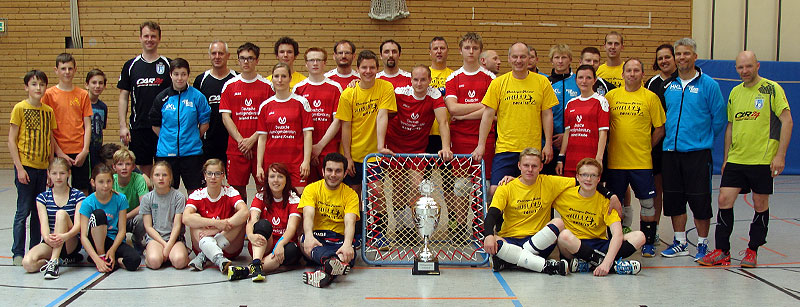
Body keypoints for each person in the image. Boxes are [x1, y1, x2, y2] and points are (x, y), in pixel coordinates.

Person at [698, 51, 793, 268]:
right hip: (737, 159)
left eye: (749, 66)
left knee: (760, 204)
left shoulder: (772, 89)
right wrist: (726, 156)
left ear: (757, 65)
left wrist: (780, 155)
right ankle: (722, 250)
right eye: (740, 68)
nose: (744, 71)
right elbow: (731, 125)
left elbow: (787, 121)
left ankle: (752, 250)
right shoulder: (734, 92)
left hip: (762, 159)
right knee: (724, 200)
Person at [658, 38, 726, 260]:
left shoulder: (709, 85)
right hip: (671, 153)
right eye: (678, 54)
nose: (681, 58)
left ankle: (703, 244)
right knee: (675, 200)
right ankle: (680, 242)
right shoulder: (668, 85)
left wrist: (701, 139)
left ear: (695, 57)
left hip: (698, 154)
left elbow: (719, 119)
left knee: (700, 200)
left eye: (686, 53)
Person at [472, 42, 559, 196]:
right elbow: (487, 115)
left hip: (532, 149)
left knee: (531, 193)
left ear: (529, 59)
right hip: (506, 148)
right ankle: (501, 221)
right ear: (509, 59)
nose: (519, 60)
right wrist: (481, 145)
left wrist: (548, 145)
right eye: (515, 57)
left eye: (523, 57)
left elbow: (547, 114)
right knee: (496, 190)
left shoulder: (542, 82)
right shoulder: (498, 83)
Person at [605, 58, 665, 257]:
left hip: (641, 161)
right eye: (628, 70)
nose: (632, 74)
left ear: (642, 74)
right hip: (615, 162)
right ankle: (616, 241)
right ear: (622, 74)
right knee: (615, 204)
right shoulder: (611, 96)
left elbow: (660, 128)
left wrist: (647, 146)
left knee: (647, 204)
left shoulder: (650, 97)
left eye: (636, 70)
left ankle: (648, 242)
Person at [482, 148, 571, 276]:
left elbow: (581, 182)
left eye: (534, 166)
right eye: (526, 165)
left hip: (539, 241)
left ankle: (511, 261)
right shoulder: (506, 188)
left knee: (558, 222)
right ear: (519, 166)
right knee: (495, 241)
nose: (530, 169)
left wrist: (609, 195)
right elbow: (492, 215)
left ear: (540, 167)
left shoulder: (549, 182)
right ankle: (547, 266)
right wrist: (489, 235)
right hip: (511, 240)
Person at [556, 158, 644, 275]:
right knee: (563, 236)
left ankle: (589, 264)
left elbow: (617, 234)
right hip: (575, 245)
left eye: (593, 175)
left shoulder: (606, 201)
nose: (588, 179)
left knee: (640, 236)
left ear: (599, 179)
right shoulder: (564, 195)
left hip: (599, 243)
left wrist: (606, 263)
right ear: (577, 177)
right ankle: (613, 266)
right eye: (584, 175)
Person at [10, 70, 57, 265]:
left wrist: (49, 168)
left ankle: (34, 248)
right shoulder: (19, 108)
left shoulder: (48, 111)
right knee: (23, 211)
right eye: (34, 84)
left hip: (42, 169)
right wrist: (19, 168)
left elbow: (50, 140)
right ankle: (17, 251)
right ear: (26, 87)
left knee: (40, 212)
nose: (38, 88)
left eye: (41, 84)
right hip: (26, 167)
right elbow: (11, 141)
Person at [229, 163, 303, 282]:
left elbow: (291, 228)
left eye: (280, 176)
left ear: (286, 180)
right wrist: (251, 235)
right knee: (263, 224)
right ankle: (257, 261)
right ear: (267, 179)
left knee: (292, 251)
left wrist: (280, 244)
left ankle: (248, 270)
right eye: (272, 176)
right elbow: (252, 220)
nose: (276, 180)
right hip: (262, 243)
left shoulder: (294, 199)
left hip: (283, 245)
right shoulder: (260, 196)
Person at [336, 50, 397, 192]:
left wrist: (380, 147)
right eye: (364, 68)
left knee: (377, 191)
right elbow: (346, 126)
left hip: (373, 156)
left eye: (372, 68)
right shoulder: (348, 94)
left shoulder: (385, 87)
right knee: (353, 194)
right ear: (357, 69)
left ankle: (379, 216)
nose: (368, 71)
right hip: (353, 154)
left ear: (377, 69)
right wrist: (347, 157)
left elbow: (382, 116)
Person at [220, 42, 275, 200]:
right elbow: (226, 117)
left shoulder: (267, 86)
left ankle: (262, 223)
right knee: (237, 191)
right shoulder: (229, 86)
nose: (246, 62)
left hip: (260, 146)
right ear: (237, 60)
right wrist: (241, 141)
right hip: (237, 148)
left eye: (250, 58)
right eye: (243, 58)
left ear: (257, 61)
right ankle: (241, 223)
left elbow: (269, 119)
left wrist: (252, 140)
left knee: (264, 187)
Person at [118, 21, 172, 178]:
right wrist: (123, 126)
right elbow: (123, 97)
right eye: (146, 36)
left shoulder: (168, 65)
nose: (150, 39)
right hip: (139, 127)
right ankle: (145, 202)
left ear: (159, 39)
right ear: (140, 38)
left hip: (165, 128)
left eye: (153, 36)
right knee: (144, 173)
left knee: (165, 170)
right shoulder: (131, 65)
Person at [299, 153, 360, 288]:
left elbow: (350, 222)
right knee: (304, 241)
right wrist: (308, 236)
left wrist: (347, 244)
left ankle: (324, 271)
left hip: (338, 240)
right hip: (317, 238)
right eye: (329, 170)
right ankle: (332, 263)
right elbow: (308, 214)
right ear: (323, 171)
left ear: (345, 174)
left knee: (346, 253)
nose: (333, 174)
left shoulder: (351, 195)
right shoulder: (311, 189)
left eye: (338, 171)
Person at [150, 58, 211, 192]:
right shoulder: (162, 97)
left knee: (195, 191)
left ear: (188, 75)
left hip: (192, 153)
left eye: (183, 74)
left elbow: (205, 123)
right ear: (170, 75)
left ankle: (193, 214)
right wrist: (168, 138)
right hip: (166, 154)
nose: (180, 78)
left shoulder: (197, 97)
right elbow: (155, 125)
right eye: (176, 74)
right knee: (166, 190)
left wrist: (193, 137)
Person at [21, 158, 85, 279]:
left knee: (61, 214)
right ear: (49, 174)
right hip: (52, 241)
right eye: (54, 173)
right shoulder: (43, 198)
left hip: (70, 240)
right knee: (28, 263)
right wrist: (47, 238)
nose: (58, 177)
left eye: (62, 173)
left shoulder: (78, 195)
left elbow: (78, 226)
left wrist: (64, 236)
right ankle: (56, 260)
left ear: (68, 174)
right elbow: (44, 226)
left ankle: (54, 262)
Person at [256, 63, 314, 194]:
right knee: (274, 201)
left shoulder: (302, 102)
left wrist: (306, 161)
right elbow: (262, 139)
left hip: (296, 163)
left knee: (299, 202)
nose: (280, 80)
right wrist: (259, 165)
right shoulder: (265, 105)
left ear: (290, 78)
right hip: (272, 163)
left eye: (283, 76)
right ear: (272, 79)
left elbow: (307, 135)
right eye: (276, 76)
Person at [446, 33, 497, 180]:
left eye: (475, 48)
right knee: (460, 186)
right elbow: (453, 109)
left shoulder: (491, 78)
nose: (471, 51)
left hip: (485, 138)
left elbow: (492, 110)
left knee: (483, 184)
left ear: (480, 51)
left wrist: (463, 115)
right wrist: (482, 105)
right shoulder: (453, 78)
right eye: (467, 48)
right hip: (459, 138)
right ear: (460, 51)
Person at [183, 159, 249, 273]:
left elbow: (245, 212)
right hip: (204, 239)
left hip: (228, 246)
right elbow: (186, 218)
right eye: (209, 173)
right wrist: (217, 224)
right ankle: (219, 259)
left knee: (241, 220)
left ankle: (205, 254)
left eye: (217, 173)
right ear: (204, 175)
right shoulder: (197, 194)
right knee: (194, 218)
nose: (213, 177)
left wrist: (218, 229)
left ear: (223, 175)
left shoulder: (230, 192)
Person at [43, 53, 93, 196]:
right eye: (63, 68)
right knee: (58, 187)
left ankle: (81, 217)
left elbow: (87, 124)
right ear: (56, 70)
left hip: (79, 150)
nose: (67, 72)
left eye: (70, 68)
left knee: (82, 189)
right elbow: (48, 128)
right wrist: (58, 151)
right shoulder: (49, 95)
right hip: (59, 149)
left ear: (75, 70)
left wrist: (85, 150)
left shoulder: (83, 94)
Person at [293, 48, 344, 181]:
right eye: (311, 60)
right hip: (304, 151)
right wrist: (309, 149)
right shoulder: (298, 88)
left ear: (325, 63)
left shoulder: (335, 87)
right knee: (306, 191)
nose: (315, 63)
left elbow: (337, 120)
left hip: (328, 148)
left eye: (318, 60)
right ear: (306, 64)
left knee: (330, 188)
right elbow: (296, 123)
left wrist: (319, 146)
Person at [79, 164, 141, 272]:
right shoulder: (87, 202)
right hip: (95, 240)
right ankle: (100, 256)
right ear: (93, 182)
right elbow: (83, 236)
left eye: (108, 181)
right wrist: (97, 259)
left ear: (113, 181)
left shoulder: (120, 199)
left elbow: (122, 230)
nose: (105, 185)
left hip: (112, 240)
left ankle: (114, 260)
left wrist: (112, 250)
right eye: (101, 182)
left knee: (134, 260)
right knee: (99, 214)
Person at [645, 44, 677, 244]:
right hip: (656, 144)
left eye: (667, 57)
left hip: (676, 144)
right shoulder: (651, 83)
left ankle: (679, 236)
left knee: (673, 190)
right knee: (656, 189)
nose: (664, 61)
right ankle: (654, 230)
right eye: (660, 58)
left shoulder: (682, 81)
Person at [383, 65, 452, 157]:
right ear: (411, 80)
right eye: (416, 80)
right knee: (395, 172)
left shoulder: (435, 95)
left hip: (417, 149)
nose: (419, 84)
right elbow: (382, 114)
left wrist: (446, 148)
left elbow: (443, 122)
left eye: (423, 80)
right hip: (394, 146)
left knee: (416, 172)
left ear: (430, 80)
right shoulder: (399, 93)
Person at [556, 65, 609, 178]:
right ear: (576, 80)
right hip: (571, 161)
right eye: (580, 78)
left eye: (588, 78)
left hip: (590, 162)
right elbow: (567, 133)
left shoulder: (601, 101)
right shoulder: (570, 103)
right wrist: (561, 158)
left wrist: (599, 159)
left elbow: (603, 133)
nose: (584, 81)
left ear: (594, 80)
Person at [194, 40, 238, 164]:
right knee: (210, 179)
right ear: (209, 56)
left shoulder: (236, 79)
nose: (217, 57)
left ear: (228, 56)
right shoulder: (201, 80)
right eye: (214, 53)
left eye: (221, 53)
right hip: (209, 141)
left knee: (233, 182)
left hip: (232, 140)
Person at [140, 161, 189, 269]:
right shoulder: (147, 199)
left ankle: (181, 252)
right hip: (156, 239)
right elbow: (148, 227)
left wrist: (169, 245)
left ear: (170, 178)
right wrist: (163, 244)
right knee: (154, 262)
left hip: (175, 239)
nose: (161, 178)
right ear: (152, 178)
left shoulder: (179, 197)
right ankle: (150, 252)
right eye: (157, 175)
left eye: (164, 175)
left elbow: (177, 225)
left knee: (179, 261)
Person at [545, 44, 579, 175]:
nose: (560, 61)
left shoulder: (578, 81)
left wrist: (567, 136)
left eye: (564, 57)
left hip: (574, 139)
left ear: (570, 59)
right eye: (556, 57)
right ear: (551, 60)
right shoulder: (545, 83)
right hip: (550, 141)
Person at [111, 148, 148, 249]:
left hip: (132, 216)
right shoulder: (110, 181)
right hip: (115, 217)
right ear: (114, 167)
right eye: (120, 164)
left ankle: (137, 239)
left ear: (133, 167)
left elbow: (144, 205)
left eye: (128, 164)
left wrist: (125, 216)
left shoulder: (139, 179)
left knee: (143, 217)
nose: (124, 168)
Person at [427, 36, 454, 155]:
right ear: (430, 52)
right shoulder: (423, 75)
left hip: (447, 133)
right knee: (425, 173)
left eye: (442, 48)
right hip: (426, 133)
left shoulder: (454, 76)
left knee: (448, 173)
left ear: (447, 51)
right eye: (435, 48)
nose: (439, 51)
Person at [86, 69, 108, 169]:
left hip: (97, 148)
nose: (97, 86)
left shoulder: (103, 107)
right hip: (83, 149)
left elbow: (101, 128)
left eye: (100, 83)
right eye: (94, 82)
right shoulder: (82, 104)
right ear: (87, 85)